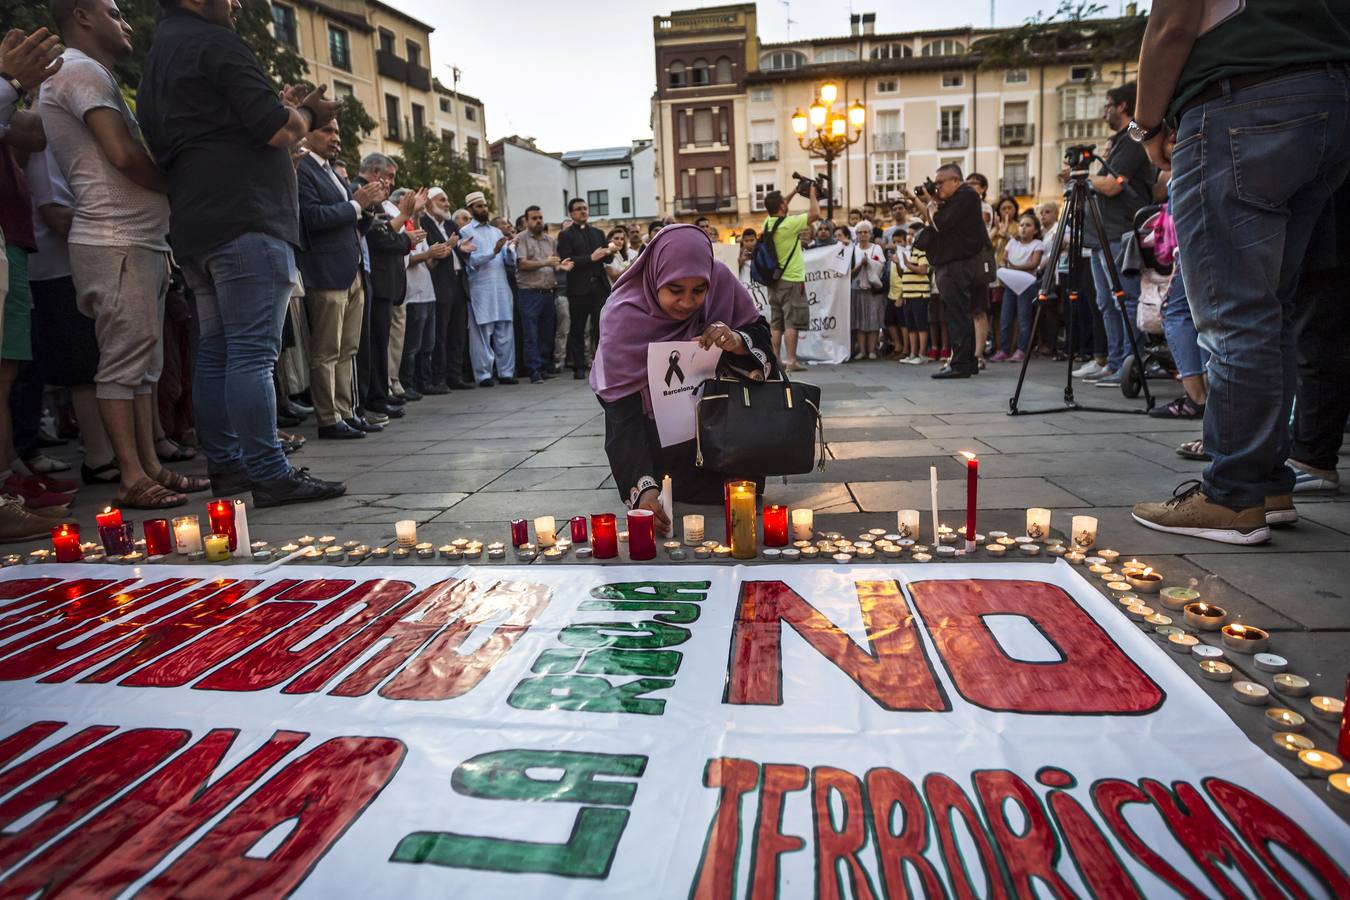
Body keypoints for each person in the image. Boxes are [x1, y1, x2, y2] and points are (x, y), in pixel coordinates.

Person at [1130, 1, 1350, 544]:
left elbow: (1173, 24)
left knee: (1234, 315)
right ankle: (1268, 483)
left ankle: (1232, 495)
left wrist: (1148, 124)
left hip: (1243, 102)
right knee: (1273, 310)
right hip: (1328, 95)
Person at [43, 0, 211, 510]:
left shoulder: (80, 73)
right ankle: (131, 475)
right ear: (81, 15)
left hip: (133, 238)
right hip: (114, 236)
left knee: (144, 363)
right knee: (123, 362)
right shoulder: (80, 69)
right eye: (113, 12)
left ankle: (150, 464)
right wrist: (179, 188)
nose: (126, 22)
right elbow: (122, 154)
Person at [590, 224, 776, 529]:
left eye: (699, 290)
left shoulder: (722, 283)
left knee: (741, 488)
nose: (688, 303)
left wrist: (737, 341)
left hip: (726, 440)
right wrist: (645, 486)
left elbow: (759, 335)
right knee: (665, 488)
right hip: (663, 452)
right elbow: (620, 411)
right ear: (656, 277)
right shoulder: (622, 315)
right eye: (675, 291)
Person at [295, 119, 384, 439]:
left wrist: (367, 210)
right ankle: (328, 418)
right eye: (328, 131)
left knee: (348, 348)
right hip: (326, 273)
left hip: (351, 270)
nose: (336, 138)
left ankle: (346, 410)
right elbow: (312, 218)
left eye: (338, 132)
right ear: (306, 134)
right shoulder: (303, 169)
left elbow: (350, 220)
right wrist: (355, 204)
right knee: (327, 350)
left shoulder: (330, 171)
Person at [1082, 81, 1154, 389]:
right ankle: (1113, 363)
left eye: (1107, 106)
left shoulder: (1135, 136)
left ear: (1123, 106)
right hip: (1100, 235)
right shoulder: (1117, 141)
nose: (1103, 114)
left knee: (1125, 299)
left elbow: (1112, 184)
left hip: (1120, 232)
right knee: (1106, 302)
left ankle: (1129, 362)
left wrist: (1083, 178)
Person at [905, 164, 991, 379]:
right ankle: (966, 361)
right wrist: (933, 202)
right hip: (952, 263)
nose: (937, 187)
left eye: (940, 183)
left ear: (955, 180)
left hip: (957, 265)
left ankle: (961, 363)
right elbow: (935, 221)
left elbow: (940, 223)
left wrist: (932, 202)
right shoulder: (955, 200)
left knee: (957, 314)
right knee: (959, 313)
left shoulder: (966, 196)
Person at [353, 155, 418, 418]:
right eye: (389, 176)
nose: (391, 183)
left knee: (379, 344)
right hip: (374, 277)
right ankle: (371, 399)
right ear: (376, 173)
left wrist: (403, 234)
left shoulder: (377, 200)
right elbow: (380, 237)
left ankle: (379, 396)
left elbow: (387, 234)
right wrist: (405, 231)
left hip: (382, 281)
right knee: (371, 346)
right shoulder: (363, 194)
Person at [759, 186, 820, 372]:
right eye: (785, 202)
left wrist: (793, 190)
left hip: (774, 281)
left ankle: (777, 360)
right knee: (792, 321)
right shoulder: (789, 224)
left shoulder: (767, 223)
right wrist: (811, 193)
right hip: (791, 280)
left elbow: (776, 205)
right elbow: (815, 214)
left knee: (777, 323)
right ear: (782, 207)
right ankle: (791, 361)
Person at [460, 190, 517, 386]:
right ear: (470, 209)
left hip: (501, 288)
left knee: (505, 332)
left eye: (484, 206)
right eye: (479, 206)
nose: (484, 209)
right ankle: (483, 375)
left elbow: (508, 262)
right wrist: (493, 251)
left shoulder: (496, 232)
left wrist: (510, 252)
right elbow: (471, 261)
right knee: (482, 334)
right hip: (480, 289)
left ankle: (506, 372)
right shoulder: (466, 232)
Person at [556, 197, 616, 379]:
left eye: (585, 208)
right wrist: (591, 258)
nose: (583, 211)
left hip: (599, 287)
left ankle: (601, 364)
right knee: (578, 329)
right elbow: (567, 259)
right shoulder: (566, 235)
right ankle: (579, 366)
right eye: (579, 209)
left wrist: (610, 252)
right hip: (578, 289)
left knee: (601, 328)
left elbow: (606, 258)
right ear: (571, 213)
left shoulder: (598, 233)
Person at [420, 187, 470, 392]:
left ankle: (454, 375)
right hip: (440, 283)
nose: (447, 204)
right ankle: (438, 378)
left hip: (458, 282)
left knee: (458, 333)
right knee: (440, 334)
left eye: (447, 200)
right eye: (442, 200)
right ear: (429, 203)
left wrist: (461, 248)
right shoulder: (423, 224)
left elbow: (458, 248)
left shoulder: (450, 224)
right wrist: (449, 246)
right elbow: (433, 253)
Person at [514, 204, 570, 383]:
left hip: (548, 292)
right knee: (531, 334)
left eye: (540, 218)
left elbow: (554, 264)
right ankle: (533, 370)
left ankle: (545, 366)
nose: (538, 221)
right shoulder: (521, 239)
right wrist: (545, 262)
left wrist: (562, 267)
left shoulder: (549, 240)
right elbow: (522, 264)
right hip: (529, 293)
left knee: (547, 332)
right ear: (526, 221)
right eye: (534, 218)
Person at [398, 224, 447, 397]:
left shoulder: (419, 231)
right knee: (412, 346)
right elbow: (406, 260)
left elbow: (429, 263)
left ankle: (425, 382)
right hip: (413, 295)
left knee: (428, 344)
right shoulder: (402, 232)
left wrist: (440, 253)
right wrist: (427, 254)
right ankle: (406, 383)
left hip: (428, 293)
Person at [992, 214, 1045, 361]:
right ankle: (1004, 349)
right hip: (1011, 284)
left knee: (1023, 318)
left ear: (1035, 230)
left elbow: (1033, 264)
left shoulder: (1037, 244)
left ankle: (1021, 349)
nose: (1023, 228)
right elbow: (1003, 260)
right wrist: (1004, 266)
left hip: (1027, 284)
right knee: (1005, 317)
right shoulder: (1012, 243)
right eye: (1021, 225)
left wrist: (1013, 266)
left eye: (1028, 225)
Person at [848, 222, 886, 360]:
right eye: (860, 232)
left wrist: (869, 263)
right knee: (859, 320)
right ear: (856, 235)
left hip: (872, 289)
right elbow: (849, 272)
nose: (863, 235)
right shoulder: (852, 250)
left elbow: (881, 267)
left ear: (870, 234)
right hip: (856, 288)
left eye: (865, 232)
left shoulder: (877, 248)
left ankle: (872, 350)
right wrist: (861, 264)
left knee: (873, 320)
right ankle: (862, 351)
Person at [898, 222, 932, 364]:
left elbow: (924, 270)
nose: (910, 237)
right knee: (911, 325)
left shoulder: (921, 251)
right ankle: (913, 353)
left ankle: (922, 354)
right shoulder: (909, 251)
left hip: (919, 294)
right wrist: (899, 263)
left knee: (921, 325)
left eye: (913, 234)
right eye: (908, 234)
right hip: (909, 295)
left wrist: (908, 265)